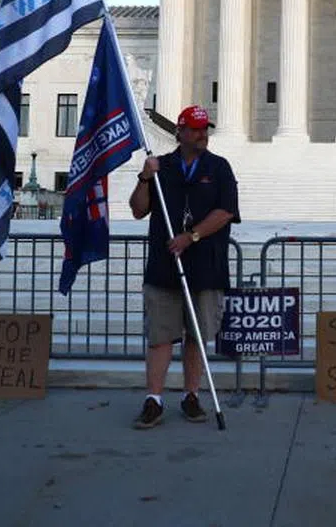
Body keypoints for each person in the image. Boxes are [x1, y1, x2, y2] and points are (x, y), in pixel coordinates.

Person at [129, 105, 239, 429]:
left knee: (196, 336)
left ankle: (191, 395)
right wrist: (144, 177)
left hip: (205, 266)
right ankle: (154, 399)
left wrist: (191, 237)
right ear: (179, 132)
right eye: (194, 129)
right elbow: (138, 210)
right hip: (165, 266)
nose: (202, 134)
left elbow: (227, 211)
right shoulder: (160, 167)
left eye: (205, 129)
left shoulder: (219, 168)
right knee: (161, 336)